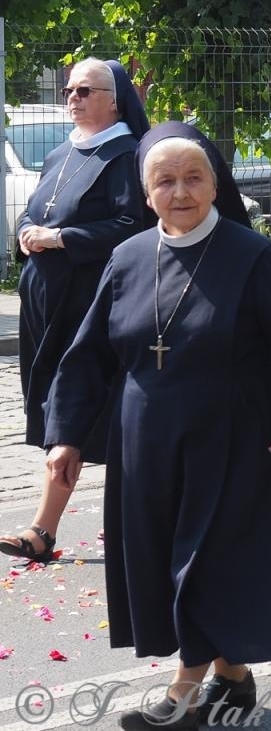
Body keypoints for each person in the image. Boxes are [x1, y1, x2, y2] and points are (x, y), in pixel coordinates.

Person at [44, 123, 271, 730]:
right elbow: (87, 356)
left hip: (236, 437)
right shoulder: (126, 258)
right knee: (164, 559)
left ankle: (182, 695)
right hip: (144, 442)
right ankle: (233, 678)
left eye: (193, 177)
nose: (180, 191)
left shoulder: (251, 256)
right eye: (165, 181)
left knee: (207, 560)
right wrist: (66, 434)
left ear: (215, 184)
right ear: (146, 192)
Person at [1, 59, 150, 565]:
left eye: (86, 89)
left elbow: (132, 225)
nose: (73, 96)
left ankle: (46, 529)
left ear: (114, 98)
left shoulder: (126, 154)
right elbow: (37, 210)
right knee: (64, 412)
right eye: (69, 89)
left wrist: (62, 238)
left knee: (87, 411)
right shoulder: (63, 151)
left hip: (93, 303)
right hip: (45, 302)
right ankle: (47, 530)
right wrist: (27, 231)